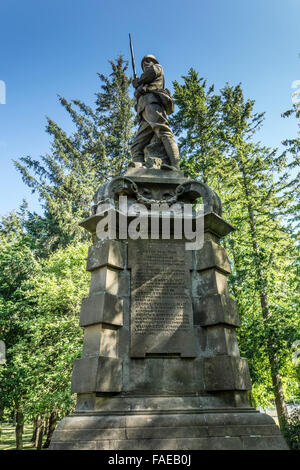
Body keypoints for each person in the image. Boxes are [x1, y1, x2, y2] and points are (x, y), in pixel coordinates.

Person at [130, 54, 180, 171]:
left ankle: (175, 166)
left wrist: (138, 82)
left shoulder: (157, 68)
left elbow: (150, 72)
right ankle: (138, 169)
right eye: (143, 63)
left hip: (153, 104)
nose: (145, 63)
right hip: (143, 112)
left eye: (148, 61)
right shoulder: (145, 80)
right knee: (136, 145)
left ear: (154, 62)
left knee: (163, 131)